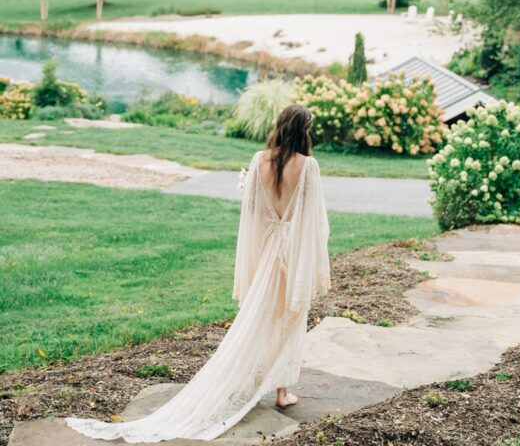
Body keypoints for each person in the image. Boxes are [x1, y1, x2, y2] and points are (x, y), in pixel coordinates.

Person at [66, 105, 330, 442]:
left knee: (259, 318)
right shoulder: (308, 166)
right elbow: (312, 220)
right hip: (290, 254)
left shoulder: (258, 160)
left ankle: (256, 382)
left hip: (265, 250)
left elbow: (252, 214)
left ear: (280, 125)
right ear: (304, 131)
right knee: (288, 319)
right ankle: (281, 392)